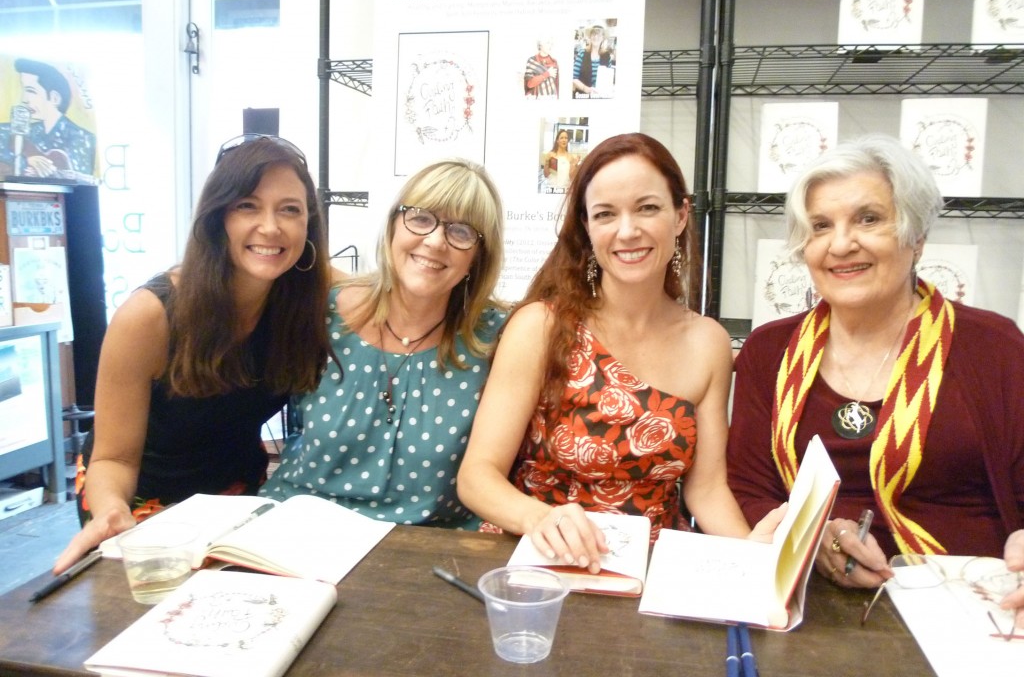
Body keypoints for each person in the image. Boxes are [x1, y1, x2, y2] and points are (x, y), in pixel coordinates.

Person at [725, 134, 1024, 627]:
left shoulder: (994, 349)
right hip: (809, 604)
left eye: (869, 219)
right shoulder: (768, 350)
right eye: (821, 226)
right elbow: (750, 485)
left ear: (917, 236)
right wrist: (813, 537)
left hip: (969, 607)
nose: (841, 244)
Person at [458, 133, 784, 573]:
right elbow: (477, 477)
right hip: (543, 562)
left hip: (656, 572)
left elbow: (705, 491)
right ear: (587, 229)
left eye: (647, 208)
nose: (627, 231)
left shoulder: (708, 341)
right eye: (605, 214)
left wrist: (752, 554)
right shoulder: (541, 326)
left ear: (681, 215)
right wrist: (539, 518)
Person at [52, 134, 333, 573]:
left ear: (307, 226)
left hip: (235, 499)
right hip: (136, 503)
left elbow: (391, 294)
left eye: (290, 209)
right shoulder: (150, 316)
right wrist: (111, 511)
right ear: (218, 217)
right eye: (248, 206)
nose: (271, 226)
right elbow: (113, 458)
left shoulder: (306, 298)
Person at [261, 159, 506, 529]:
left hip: (423, 554)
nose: (436, 241)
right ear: (393, 226)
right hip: (295, 530)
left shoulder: (497, 339)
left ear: (477, 258)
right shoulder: (321, 313)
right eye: (421, 218)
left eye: (461, 231)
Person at [0, 58, 97, 181]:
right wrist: (28, 160)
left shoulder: (83, 138)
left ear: (54, 98)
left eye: (31, 91)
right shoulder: (24, 131)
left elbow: (77, 180)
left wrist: (30, 163)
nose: (24, 99)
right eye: (24, 90)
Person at [572, 25, 615, 98]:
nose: (596, 37)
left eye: (599, 34)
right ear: (590, 36)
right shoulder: (582, 53)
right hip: (583, 96)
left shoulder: (606, 56)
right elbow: (573, 78)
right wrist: (586, 89)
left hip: (601, 96)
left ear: (603, 38)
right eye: (593, 34)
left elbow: (609, 79)